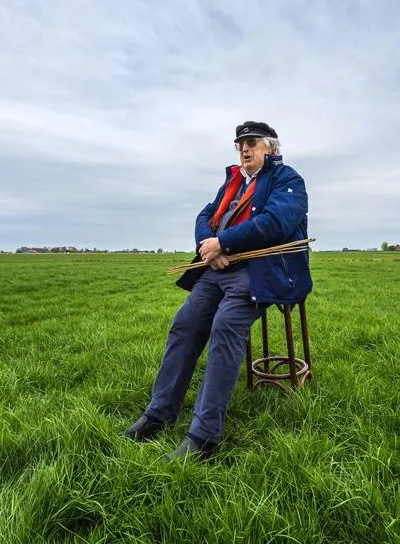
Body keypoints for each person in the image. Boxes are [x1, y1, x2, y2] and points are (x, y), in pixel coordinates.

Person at [122, 120, 313, 461]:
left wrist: (223, 242)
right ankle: (158, 414)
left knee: (226, 326)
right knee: (185, 324)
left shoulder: (289, 180)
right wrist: (208, 247)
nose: (244, 148)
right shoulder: (234, 181)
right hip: (219, 269)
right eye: (240, 143)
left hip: (260, 271)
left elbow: (275, 223)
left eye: (252, 142)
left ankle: (204, 437)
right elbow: (206, 215)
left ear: (270, 147)